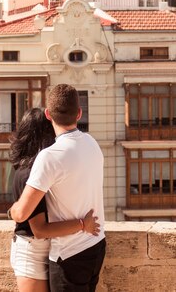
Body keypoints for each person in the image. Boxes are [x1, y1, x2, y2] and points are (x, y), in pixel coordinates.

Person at [10, 84, 106, 291]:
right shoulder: (92, 143)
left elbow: (22, 213)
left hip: (69, 254)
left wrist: (12, 210)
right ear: (79, 113)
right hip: (96, 245)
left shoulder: (50, 156)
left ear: (48, 114)